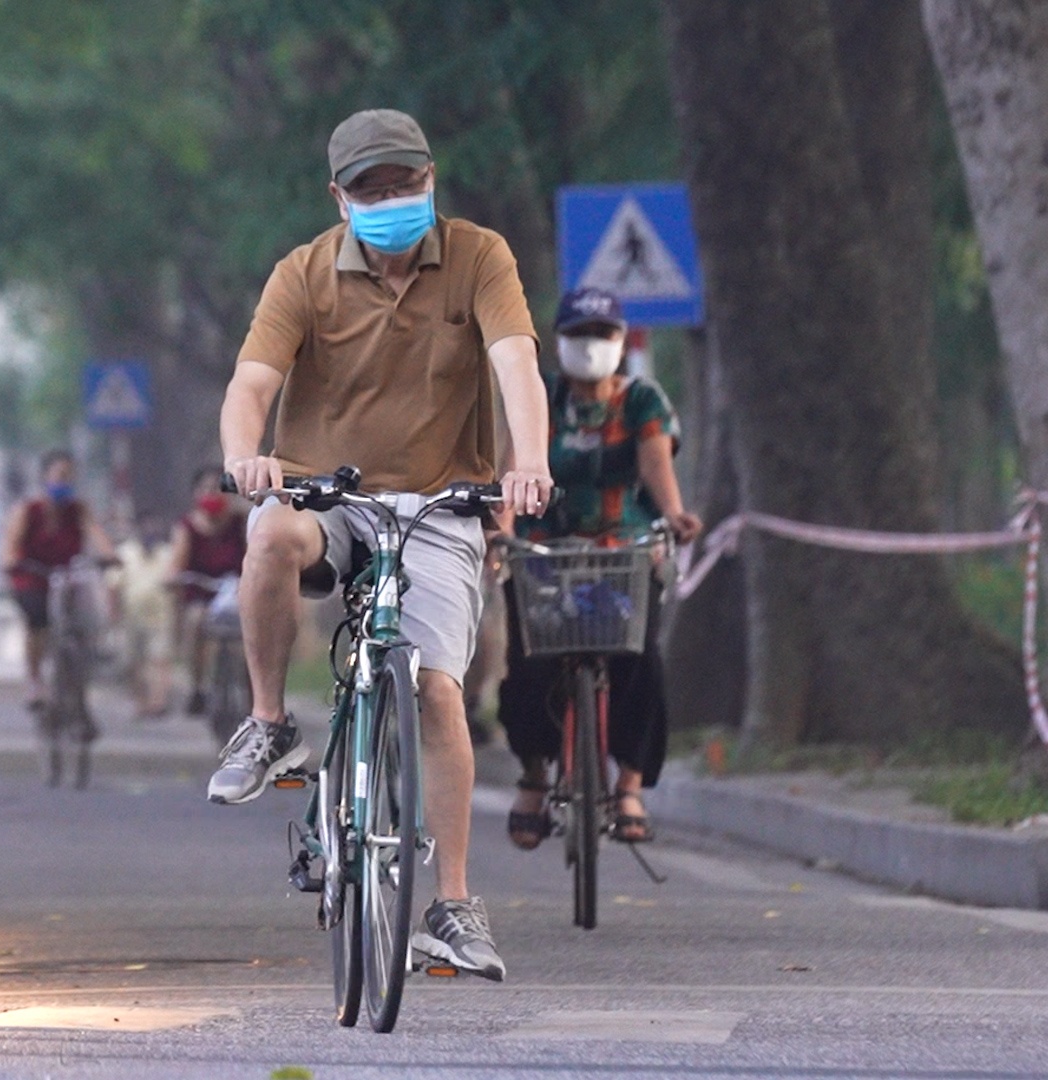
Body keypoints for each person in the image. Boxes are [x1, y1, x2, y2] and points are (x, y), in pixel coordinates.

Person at [213, 108, 554, 981]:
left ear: (431, 179)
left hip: (441, 502)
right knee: (269, 535)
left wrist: (530, 463)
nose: (392, 199)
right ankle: (268, 724)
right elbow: (252, 383)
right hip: (328, 494)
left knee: (437, 691)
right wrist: (246, 457)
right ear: (340, 198)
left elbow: (516, 364)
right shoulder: (303, 274)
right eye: (372, 189)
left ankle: (452, 902)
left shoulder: (479, 256)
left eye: (405, 183)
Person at [499, 286, 703, 849]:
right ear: (559, 340)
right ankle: (534, 778)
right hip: (545, 552)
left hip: (623, 552)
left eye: (602, 334)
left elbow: (655, 463)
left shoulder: (642, 400)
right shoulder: (540, 397)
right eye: (579, 334)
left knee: (640, 659)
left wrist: (674, 513)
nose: (590, 345)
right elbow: (514, 469)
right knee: (529, 665)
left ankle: (629, 784)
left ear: (620, 340)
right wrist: (502, 528)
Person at [0, 450, 113, 707]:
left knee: (86, 618)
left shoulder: (78, 510)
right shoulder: (28, 510)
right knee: (37, 621)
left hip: (69, 576)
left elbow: (96, 534)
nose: (66, 481)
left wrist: (109, 556)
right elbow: (10, 546)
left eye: (70, 476)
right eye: (61, 475)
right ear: (45, 477)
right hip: (34, 577)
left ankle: (82, 674)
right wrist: (10, 561)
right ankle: (35, 679)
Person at [168, 466, 248, 715]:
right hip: (201, 593)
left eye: (217, 488)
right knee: (195, 621)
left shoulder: (240, 523)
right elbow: (176, 565)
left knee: (252, 633)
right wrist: (173, 578)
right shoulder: (187, 527)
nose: (211, 493)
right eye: (205, 488)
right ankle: (198, 686)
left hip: (239, 593)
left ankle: (255, 691)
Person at [113, 514, 176, 718]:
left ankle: (158, 701)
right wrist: (114, 614)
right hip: (131, 616)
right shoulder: (125, 553)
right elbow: (113, 585)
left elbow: (176, 584)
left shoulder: (168, 553)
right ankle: (141, 700)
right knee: (134, 661)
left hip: (161, 615)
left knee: (159, 659)